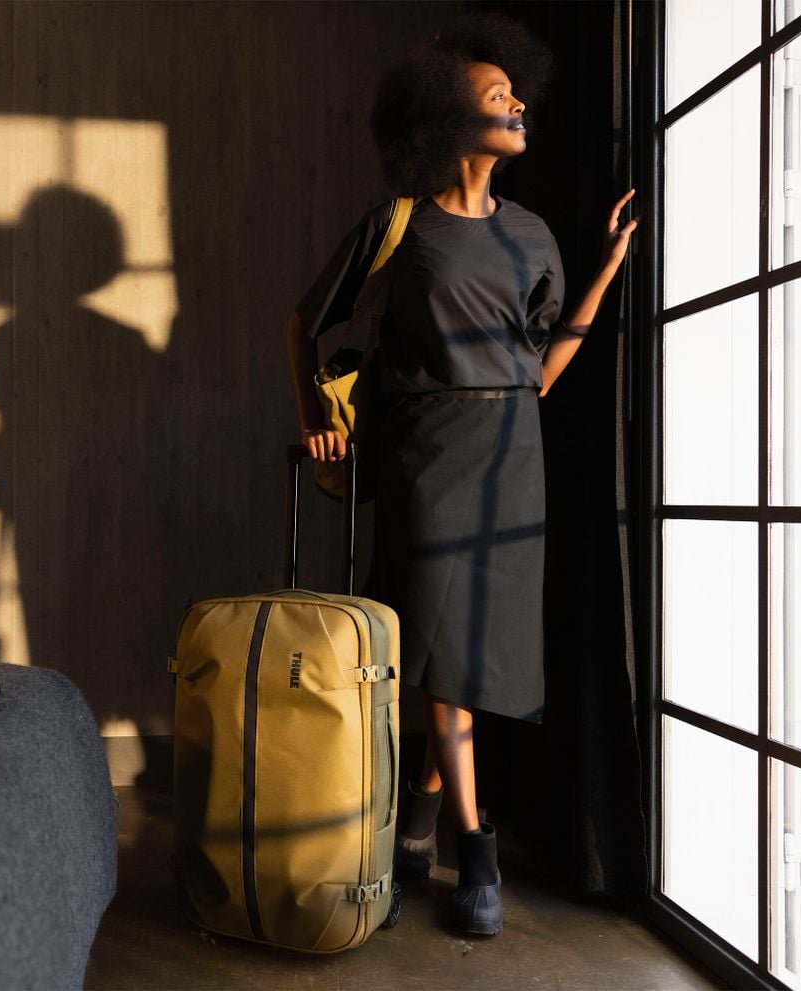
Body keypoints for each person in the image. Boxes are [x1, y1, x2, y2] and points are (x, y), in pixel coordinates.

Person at [286, 11, 638, 936]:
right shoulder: (397, 224)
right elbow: (305, 322)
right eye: (496, 96)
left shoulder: (533, 236)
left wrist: (602, 272)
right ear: (446, 119)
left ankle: (417, 827)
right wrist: (318, 417)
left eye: (515, 93)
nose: (518, 103)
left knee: (471, 658)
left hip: (512, 454)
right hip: (426, 452)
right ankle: (475, 848)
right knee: (441, 651)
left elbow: (539, 373)